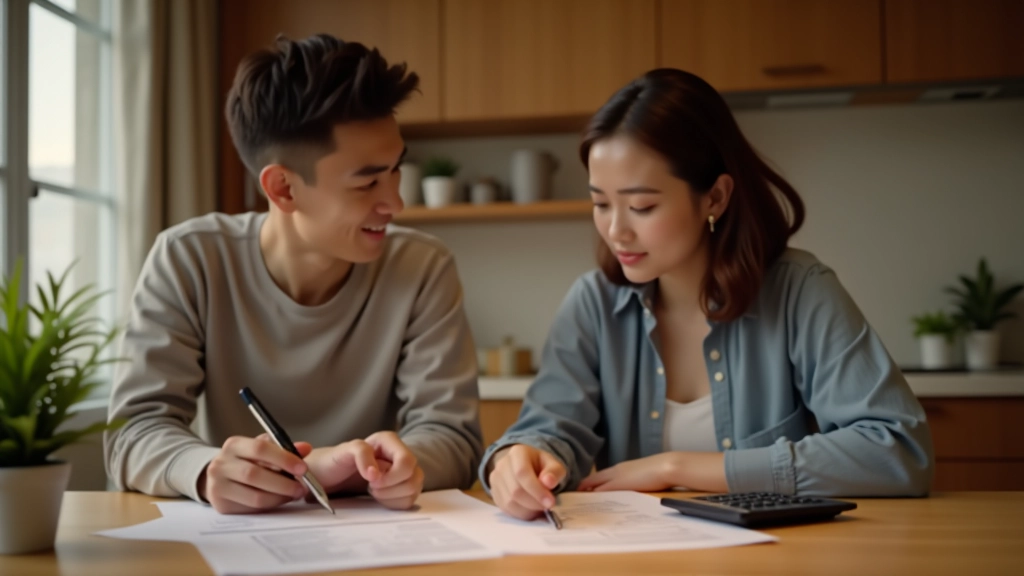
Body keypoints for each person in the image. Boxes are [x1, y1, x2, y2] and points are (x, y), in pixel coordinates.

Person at [483, 68, 934, 520]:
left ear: (715, 198)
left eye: (642, 206)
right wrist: (520, 458)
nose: (616, 230)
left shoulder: (800, 290)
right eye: (601, 203)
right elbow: (549, 430)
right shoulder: (593, 303)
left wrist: (677, 467)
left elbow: (896, 451)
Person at [104, 34, 482, 514]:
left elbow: (454, 437)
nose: (395, 203)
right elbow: (133, 431)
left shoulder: (424, 267)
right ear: (283, 188)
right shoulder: (190, 258)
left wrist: (382, 466)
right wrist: (205, 470)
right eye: (368, 181)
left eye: (395, 171)